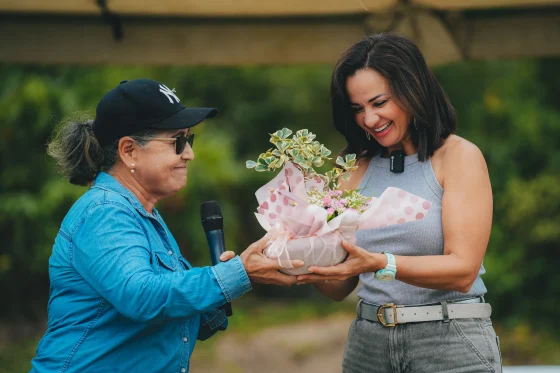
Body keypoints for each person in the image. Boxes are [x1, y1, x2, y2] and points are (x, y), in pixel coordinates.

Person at [30, 78, 303, 373]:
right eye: (177, 141)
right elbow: (142, 297)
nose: (189, 153)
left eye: (189, 139)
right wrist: (234, 275)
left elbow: (171, 320)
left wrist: (245, 274)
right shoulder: (104, 212)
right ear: (129, 151)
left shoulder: (143, 212)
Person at [296, 33, 502, 372]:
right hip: (369, 344)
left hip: (449, 342)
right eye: (357, 109)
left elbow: (463, 270)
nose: (369, 120)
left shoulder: (458, 157)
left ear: (413, 90)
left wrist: (377, 262)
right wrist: (297, 253)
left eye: (379, 103)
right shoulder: (352, 166)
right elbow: (338, 287)